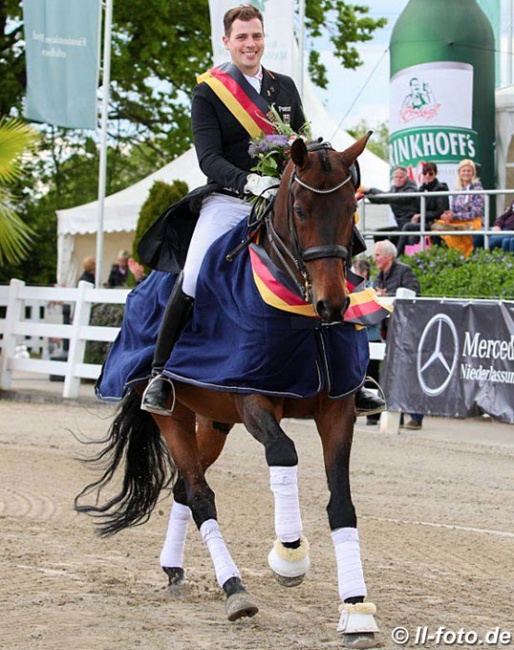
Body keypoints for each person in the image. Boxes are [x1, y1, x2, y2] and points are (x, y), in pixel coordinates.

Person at [141, 5, 384, 417]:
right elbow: (209, 158)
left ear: (263, 39)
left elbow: (303, 141)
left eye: (256, 36)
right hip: (230, 199)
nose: (250, 44)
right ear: (227, 42)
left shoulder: (284, 87)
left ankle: (354, 379)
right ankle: (160, 375)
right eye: (242, 38)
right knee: (195, 272)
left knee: (339, 262)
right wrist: (247, 181)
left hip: (284, 200)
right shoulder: (209, 92)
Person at [372, 240, 423, 430]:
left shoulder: (404, 271)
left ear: (389, 256)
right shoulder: (380, 275)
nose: (374, 258)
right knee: (390, 372)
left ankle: (416, 417)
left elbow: (414, 294)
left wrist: (387, 294)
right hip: (388, 329)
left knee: (409, 372)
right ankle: (397, 415)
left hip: (407, 331)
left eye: (378, 255)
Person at [351, 258, 385, 425]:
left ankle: (372, 412)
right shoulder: (349, 288)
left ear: (363, 273)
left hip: (370, 336)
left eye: (354, 270)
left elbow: (372, 316)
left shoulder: (372, 290)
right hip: (354, 335)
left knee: (371, 373)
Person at [432, 159, 484, 257]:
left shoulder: (477, 188)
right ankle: (441, 257)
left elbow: (476, 212)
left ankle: (460, 256)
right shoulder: (458, 189)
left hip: (472, 222)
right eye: (464, 171)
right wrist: (448, 215)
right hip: (457, 220)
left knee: (454, 232)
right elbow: (454, 209)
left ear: (473, 173)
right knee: (436, 227)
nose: (466, 173)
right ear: (459, 173)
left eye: (469, 171)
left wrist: (455, 216)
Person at [395, 162, 449, 256]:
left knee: (408, 227)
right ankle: (409, 257)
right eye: (425, 173)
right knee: (398, 230)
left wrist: (421, 215)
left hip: (436, 223)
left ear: (436, 174)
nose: (427, 176)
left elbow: (441, 212)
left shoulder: (441, 189)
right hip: (425, 222)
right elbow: (416, 206)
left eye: (430, 173)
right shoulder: (422, 188)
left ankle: (398, 256)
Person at [361, 166, 419, 246]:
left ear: (406, 177)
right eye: (396, 177)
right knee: (378, 233)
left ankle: (395, 257)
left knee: (393, 236)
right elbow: (381, 199)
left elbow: (392, 197)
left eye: (401, 177)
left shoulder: (411, 189)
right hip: (400, 225)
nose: (398, 179)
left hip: (411, 225)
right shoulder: (393, 189)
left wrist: (370, 190)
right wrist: (366, 193)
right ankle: (379, 255)